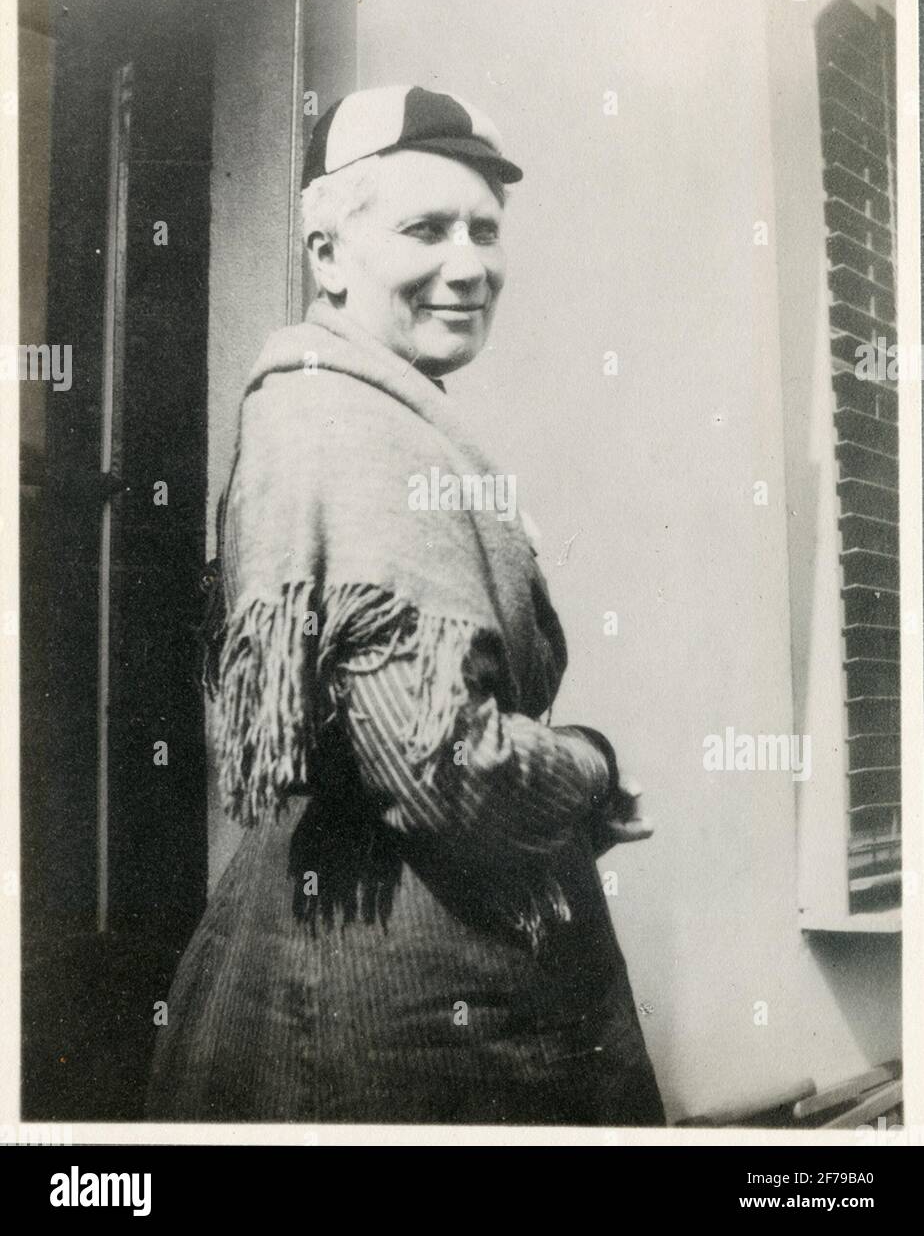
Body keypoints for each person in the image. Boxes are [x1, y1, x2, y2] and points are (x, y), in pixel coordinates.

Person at [144, 85, 665, 1126]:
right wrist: (591, 763)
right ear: (328, 255)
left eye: (485, 229)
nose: (469, 264)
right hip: (379, 1012)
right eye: (427, 228)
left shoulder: (374, 407)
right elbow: (443, 776)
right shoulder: (337, 426)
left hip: (402, 964)